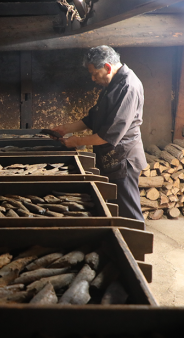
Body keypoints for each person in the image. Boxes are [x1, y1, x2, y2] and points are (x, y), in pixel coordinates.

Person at [50, 45, 146, 222]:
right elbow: (93, 117)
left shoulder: (127, 87)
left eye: (95, 74)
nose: (93, 79)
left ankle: (136, 248)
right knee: (113, 207)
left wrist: (76, 141)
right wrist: (66, 129)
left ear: (108, 67)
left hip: (122, 158)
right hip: (110, 157)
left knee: (128, 210)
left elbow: (109, 135)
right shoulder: (113, 84)